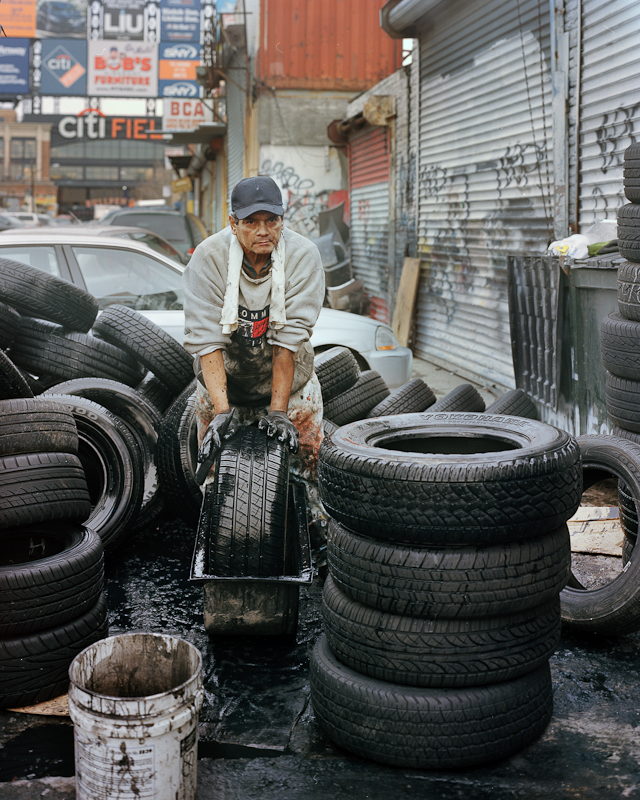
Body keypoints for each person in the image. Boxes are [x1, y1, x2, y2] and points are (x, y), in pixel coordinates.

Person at [182, 176, 325, 495]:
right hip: (225, 384)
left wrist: (278, 411)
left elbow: (287, 342)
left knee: (307, 471)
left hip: (292, 389)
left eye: (271, 220)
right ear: (233, 223)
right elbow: (206, 341)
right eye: (251, 222)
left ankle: (313, 530)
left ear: (282, 220)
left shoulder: (303, 257)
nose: (263, 230)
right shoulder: (208, 258)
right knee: (216, 478)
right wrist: (221, 412)